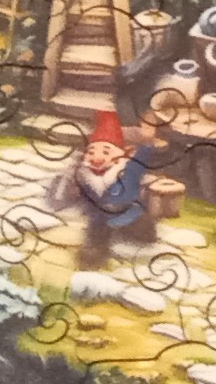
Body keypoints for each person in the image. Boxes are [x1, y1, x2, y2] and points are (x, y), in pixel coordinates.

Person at [48, 108, 157, 268]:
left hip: (129, 213)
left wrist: (147, 140)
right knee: (96, 235)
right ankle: (92, 258)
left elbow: (142, 158)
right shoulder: (83, 174)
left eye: (106, 152)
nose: (96, 157)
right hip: (99, 218)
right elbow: (66, 191)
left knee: (142, 231)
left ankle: (141, 234)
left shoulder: (127, 171)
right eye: (91, 152)